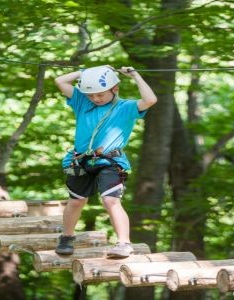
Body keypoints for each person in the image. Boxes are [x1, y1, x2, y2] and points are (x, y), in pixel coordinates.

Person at [54, 65, 157, 258]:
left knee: (110, 199)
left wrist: (135, 75)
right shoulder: (82, 103)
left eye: (100, 95)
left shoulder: (125, 107)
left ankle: (124, 243)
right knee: (77, 201)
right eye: (91, 95)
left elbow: (150, 100)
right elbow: (60, 81)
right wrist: (85, 72)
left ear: (115, 88)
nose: (95, 99)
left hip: (110, 161)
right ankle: (67, 237)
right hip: (81, 160)